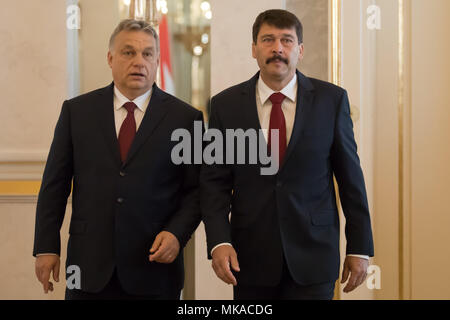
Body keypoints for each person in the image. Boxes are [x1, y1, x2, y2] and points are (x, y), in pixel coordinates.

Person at [201, 9, 374, 300]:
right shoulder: (225, 106)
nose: (277, 48)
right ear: (254, 48)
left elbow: (350, 178)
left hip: (314, 256)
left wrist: (359, 246)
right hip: (250, 258)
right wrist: (219, 241)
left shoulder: (331, 101)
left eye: (287, 40)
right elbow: (214, 182)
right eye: (268, 39)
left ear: (300, 50)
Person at [33, 19, 203, 300]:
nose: (139, 61)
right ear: (110, 58)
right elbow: (54, 184)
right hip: (88, 268)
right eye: (128, 52)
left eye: (147, 54)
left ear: (157, 60)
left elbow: (197, 190)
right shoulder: (77, 112)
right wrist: (46, 247)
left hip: (155, 269)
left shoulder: (185, 118)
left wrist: (176, 234)